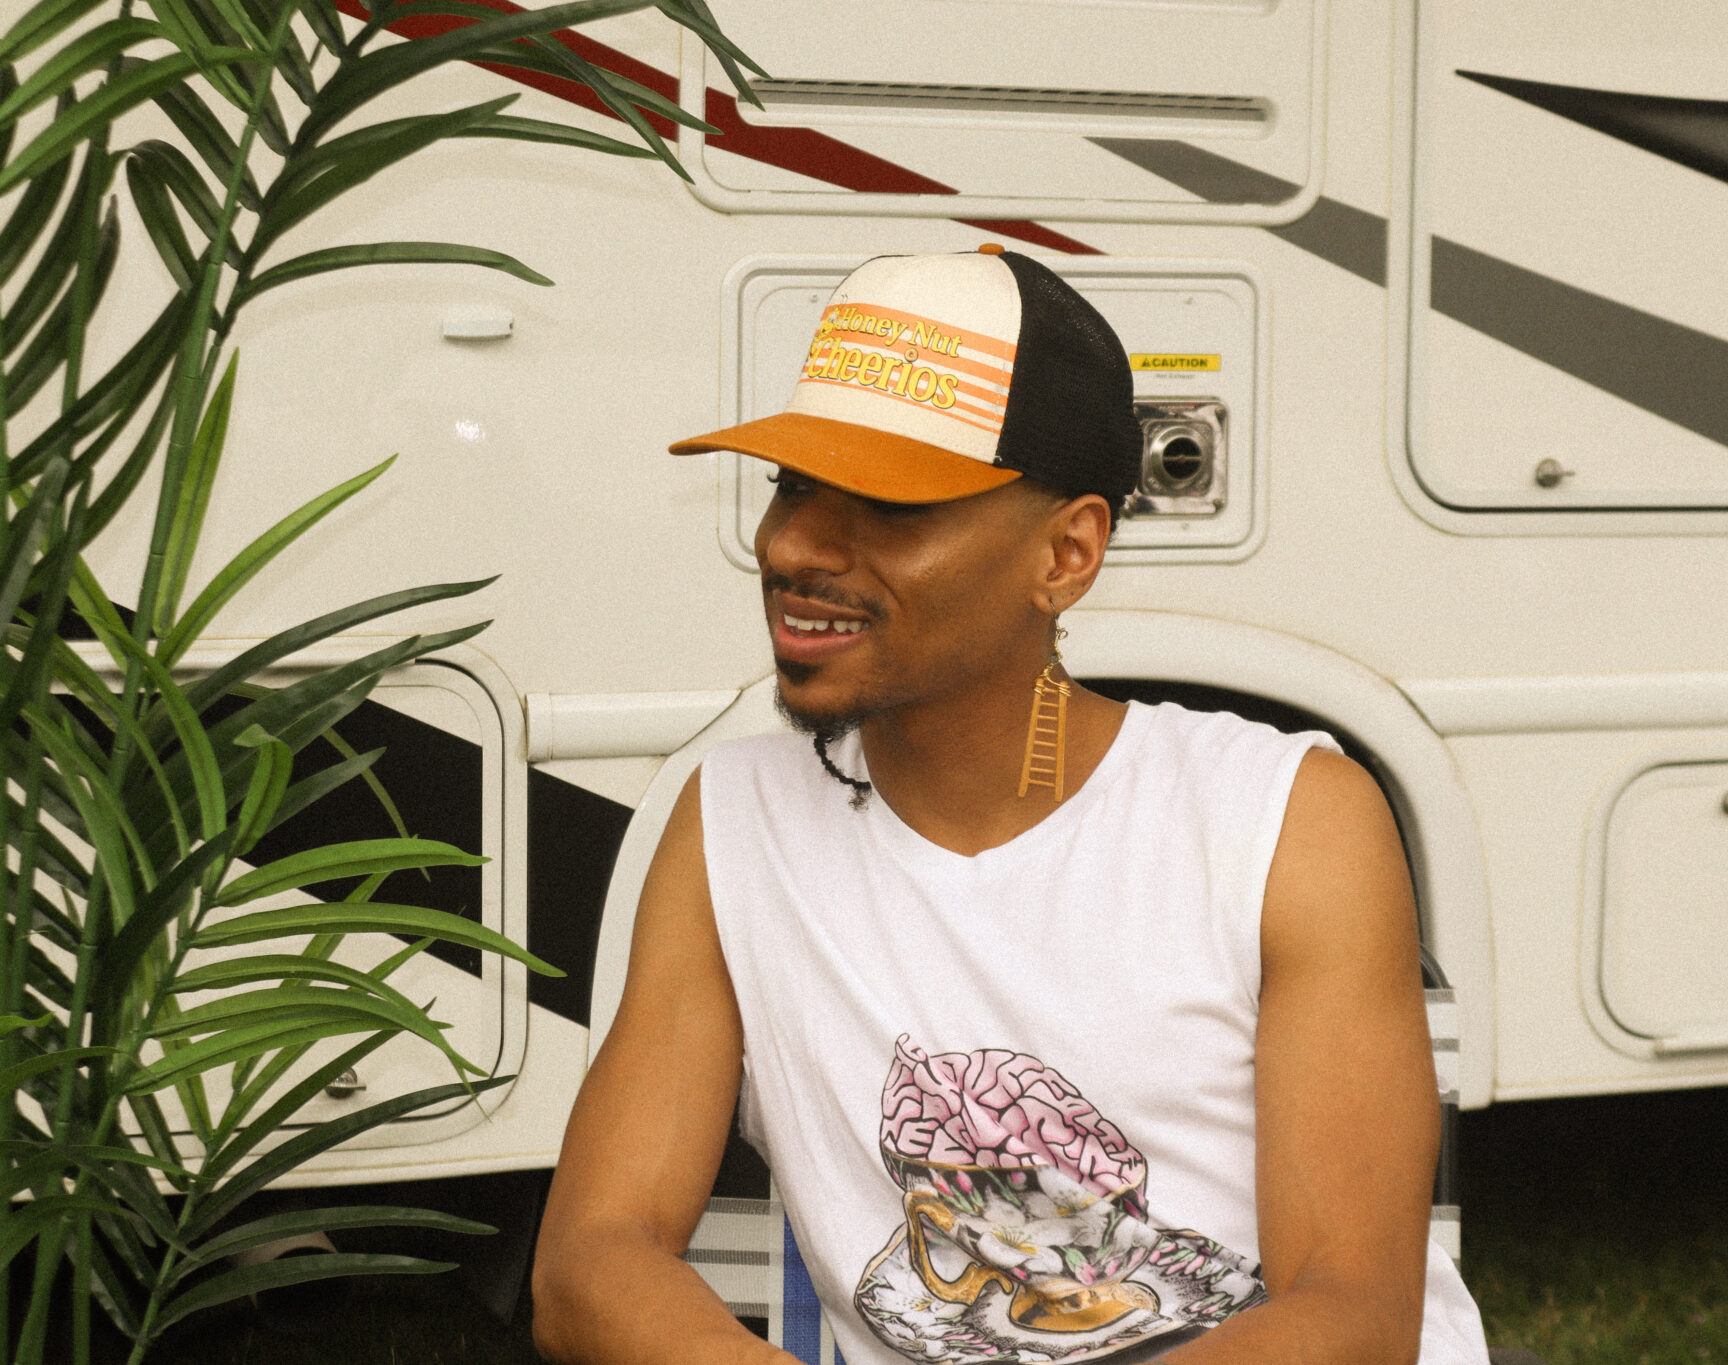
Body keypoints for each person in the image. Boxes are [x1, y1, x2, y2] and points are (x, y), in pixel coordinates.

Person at [530, 245, 1491, 1365]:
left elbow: (1352, 1316)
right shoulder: (735, 827)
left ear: (1066, 553)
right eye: (792, 484)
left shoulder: (1286, 822)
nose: (791, 546)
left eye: (886, 503)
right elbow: (590, 1259)